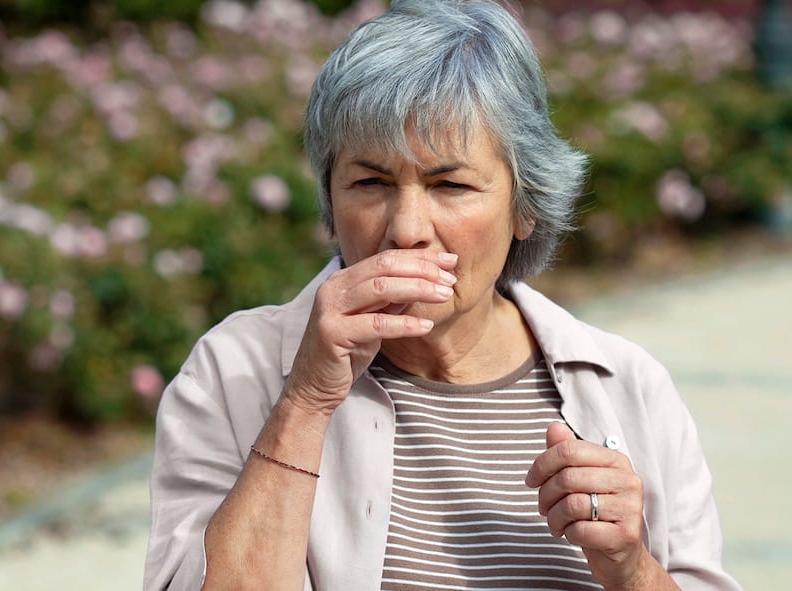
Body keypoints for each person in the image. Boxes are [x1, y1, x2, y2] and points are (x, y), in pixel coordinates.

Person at [143, 1, 742, 589]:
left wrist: (632, 569)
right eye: (370, 182)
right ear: (330, 198)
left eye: (450, 184)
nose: (407, 229)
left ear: (525, 207)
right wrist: (304, 403)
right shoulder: (234, 371)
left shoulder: (630, 387)